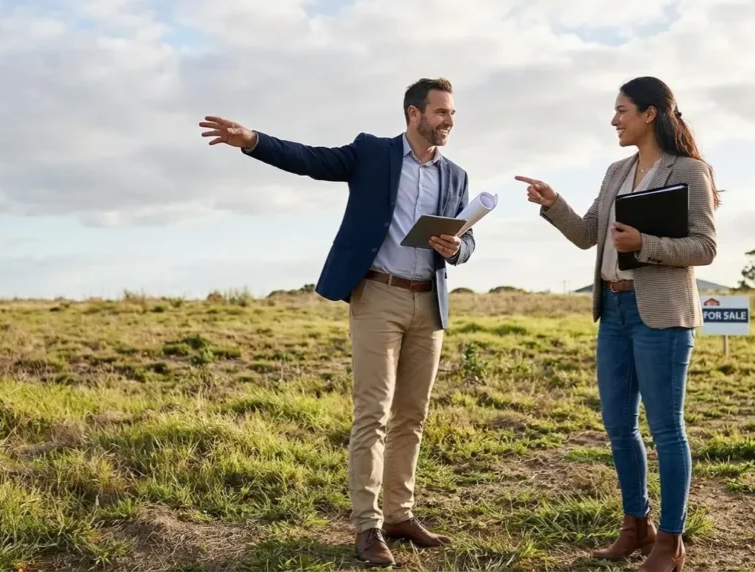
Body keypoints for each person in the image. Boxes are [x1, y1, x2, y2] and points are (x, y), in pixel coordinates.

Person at [199, 78, 476, 568]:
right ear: (414, 114)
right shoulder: (372, 153)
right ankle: (368, 527)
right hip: (378, 296)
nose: (449, 120)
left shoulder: (455, 176)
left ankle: (400, 514)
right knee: (373, 413)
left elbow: (466, 240)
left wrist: (458, 247)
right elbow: (311, 160)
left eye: (452, 113)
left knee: (412, 416)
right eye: (441, 112)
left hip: (428, 305)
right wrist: (254, 141)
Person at [515, 76, 718, 572]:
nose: (614, 120)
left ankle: (670, 542)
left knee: (667, 429)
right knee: (618, 426)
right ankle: (636, 524)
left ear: (650, 114)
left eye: (621, 110)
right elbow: (588, 234)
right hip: (615, 312)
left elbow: (705, 247)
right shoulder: (614, 172)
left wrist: (644, 245)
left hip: (663, 316)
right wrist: (551, 201)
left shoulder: (690, 171)